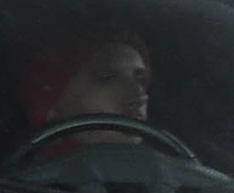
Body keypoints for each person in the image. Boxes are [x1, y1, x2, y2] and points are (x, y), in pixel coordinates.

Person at [17, 34, 153, 152]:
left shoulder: (168, 170)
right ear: (50, 109)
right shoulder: (17, 179)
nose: (139, 95)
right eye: (107, 77)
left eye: (140, 79)